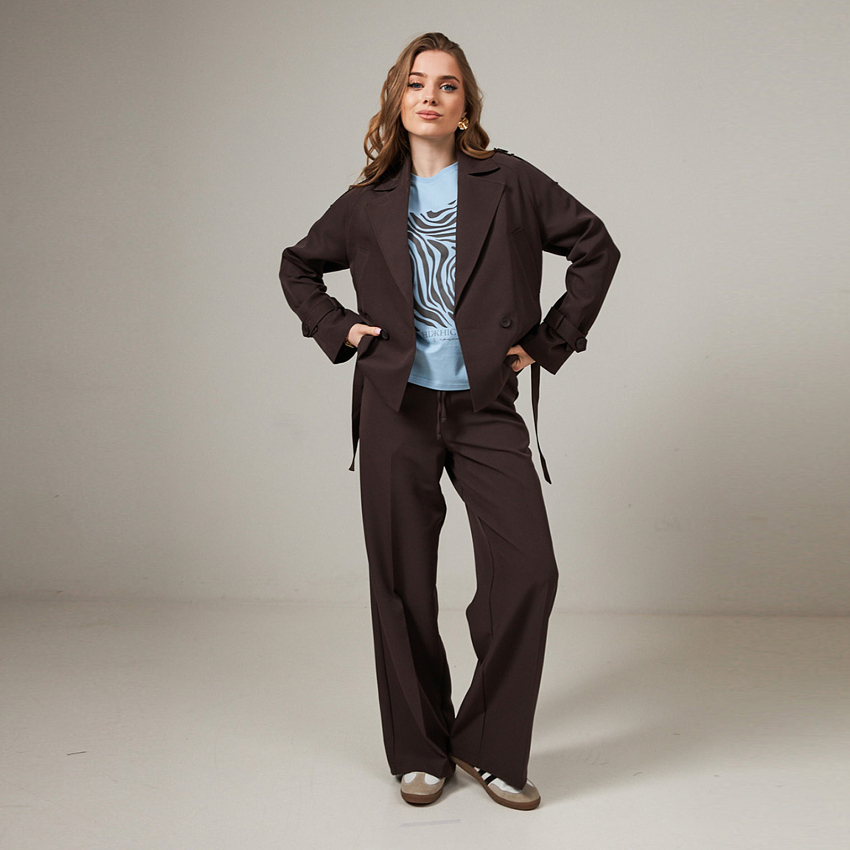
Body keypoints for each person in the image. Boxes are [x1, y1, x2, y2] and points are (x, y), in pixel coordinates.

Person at [278, 32, 620, 811]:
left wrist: (547, 342)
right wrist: (340, 328)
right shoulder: (367, 203)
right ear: (397, 100)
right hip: (394, 409)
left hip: (484, 408)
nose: (430, 96)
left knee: (529, 570)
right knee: (400, 584)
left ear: (466, 106)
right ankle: (419, 749)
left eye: (447, 85)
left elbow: (595, 248)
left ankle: (488, 744)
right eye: (416, 83)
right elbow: (298, 266)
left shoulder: (510, 182)